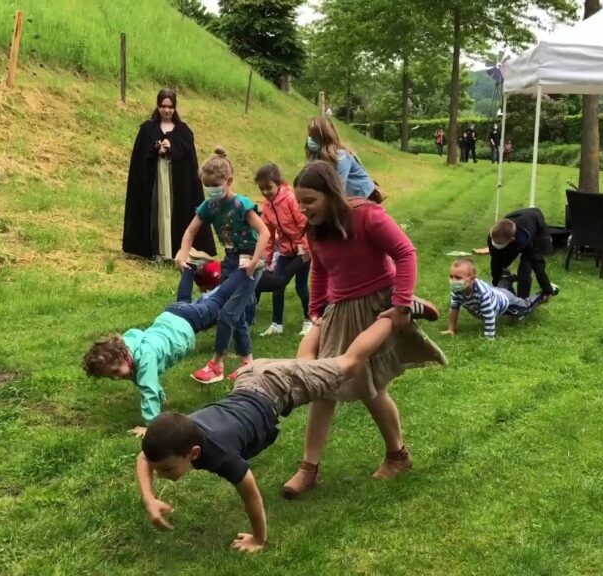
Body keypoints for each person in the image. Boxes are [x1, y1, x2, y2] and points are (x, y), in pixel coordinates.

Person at [135, 317, 395, 553]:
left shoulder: (220, 454)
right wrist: (149, 499)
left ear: (193, 453)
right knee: (305, 366)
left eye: (166, 469)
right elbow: (144, 458)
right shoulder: (181, 432)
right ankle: (323, 318)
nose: (161, 475)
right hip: (250, 377)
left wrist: (259, 539)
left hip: (276, 387)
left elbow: (251, 495)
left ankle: (394, 316)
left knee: (348, 364)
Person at [280, 161, 447, 499]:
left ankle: (395, 456)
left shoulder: (366, 216)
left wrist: (400, 305)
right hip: (340, 311)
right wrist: (316, 311)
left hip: (378, 307)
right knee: (326, 385)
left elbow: (405, 252)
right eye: (299, 201)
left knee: (362, 386)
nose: (303, 208)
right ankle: (311, 468)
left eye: (310, 200)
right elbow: (321, 273)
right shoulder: (315, 230)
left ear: (330, 195)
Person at [81, 264, 252, 436]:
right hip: (172, 314)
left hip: (188, 322)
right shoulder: (129, 345)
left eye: (116, 371)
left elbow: (149, 391)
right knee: (183, 299)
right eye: (111, 376)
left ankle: (246, 269)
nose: (117, 377)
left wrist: (151, 427)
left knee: (219, 298)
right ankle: (190, 267)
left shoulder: (145, 358)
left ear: (124, 356)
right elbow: (144, 380)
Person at [176, 148, 270, 384]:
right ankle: (249, 363)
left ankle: (216, 365)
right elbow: (190, 231)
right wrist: (183, 253)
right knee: (235, 313)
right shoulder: (211, 206)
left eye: (215, 185)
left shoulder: (241, 205)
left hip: (249, 262)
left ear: (228, 181)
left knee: (227, 312)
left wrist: (255, 261)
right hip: (230, 260)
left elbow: (264, 232)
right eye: (207, 185)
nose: (212, 190)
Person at [123, 89, 216, 261]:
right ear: (158, 106)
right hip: (154, 181)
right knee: (156, 211)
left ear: (175, 108)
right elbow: (140, 157)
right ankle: (156, 251)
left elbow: (188, 158)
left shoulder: (184, 131)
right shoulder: (147, 129)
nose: (167, 110)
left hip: (177, 183)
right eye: (163, 106)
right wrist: (156, 150)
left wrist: (172, 148)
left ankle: (175, 251)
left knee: (174, 212)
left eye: (170, 107)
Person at [254, 164, 312, 337]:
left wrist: (306, 248)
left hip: (303, 251)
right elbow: (269, 235)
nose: (265, 192)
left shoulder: (291, 200)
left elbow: (304, 224)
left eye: (268, 188)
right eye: (261, 189)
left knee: (301, 286)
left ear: (278, 184)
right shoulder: (266, 206)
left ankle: (309, 321)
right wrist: (267, 259)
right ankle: (276, 323)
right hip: (286, 251)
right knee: (277, 285)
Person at [441, 259, 550, 339]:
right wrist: (451, 329)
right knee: (500, 289)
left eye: (458, 277)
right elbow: (454, 308)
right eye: (451, 276)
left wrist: (489, 338)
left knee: (524, 309)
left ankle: (543, 294)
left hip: (505, 302)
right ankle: (506, 278)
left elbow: (489, 316)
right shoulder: (457, 290)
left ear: (472, 279)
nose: (453, 280)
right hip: (496, 292)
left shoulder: (482, 294)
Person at [487, 208, 557, 300]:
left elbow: (538, 264)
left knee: (524, 271)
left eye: (500, 245)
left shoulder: (525, 240)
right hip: (517, 216)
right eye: (494, 243)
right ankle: (508, 281)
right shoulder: (493, 235)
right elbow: (495, 260)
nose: (495, 246)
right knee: (502, 262)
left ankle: (522, 299)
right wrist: (496, 284)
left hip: (535, 221)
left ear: (512, 240)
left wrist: (547, 289)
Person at [305, 116, 375, 199]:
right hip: (346, 196)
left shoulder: (342, 157)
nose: (310, 139)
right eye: (309, 135)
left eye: (313, 136)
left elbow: (338, 188)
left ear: (324, 137)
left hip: (363, 197)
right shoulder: (316, 156)